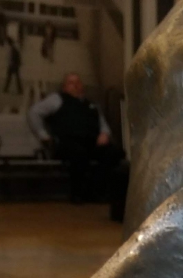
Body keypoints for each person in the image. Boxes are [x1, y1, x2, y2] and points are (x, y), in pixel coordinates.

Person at [27, 73, 120, 203]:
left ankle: (97, 191)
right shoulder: (57, 99)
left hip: (92, 142)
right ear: (64, 87)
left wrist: (104, 134)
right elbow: (34, 112)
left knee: (114, 153)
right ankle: (79, 194)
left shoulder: (91, 104)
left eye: (78, 82)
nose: (75, 85)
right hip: (68, 142)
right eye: (71, 83)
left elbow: (103, 124)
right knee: (78, 154)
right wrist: (43, 135)